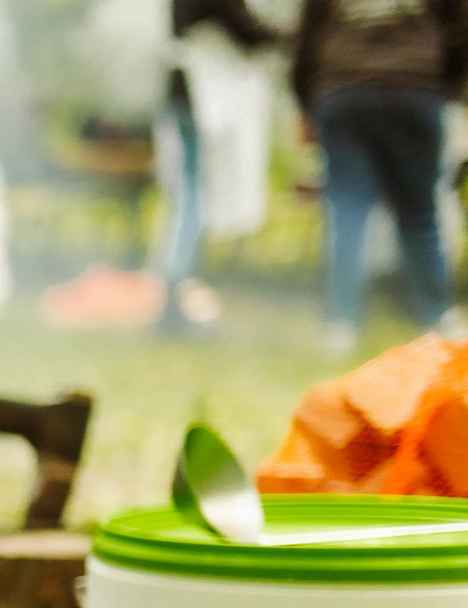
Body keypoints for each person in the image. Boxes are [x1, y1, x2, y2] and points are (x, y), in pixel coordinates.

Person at [293, 0, 468, 349]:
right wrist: (445, 83)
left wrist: (307, 99)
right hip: (413, 87)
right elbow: (460, 29)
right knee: (419, 213)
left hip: (344, 88)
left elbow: (308, 35)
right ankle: (436, 316)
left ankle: (340, 324)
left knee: (347, 212)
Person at [156, 0, 283, 332]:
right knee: (193, 194)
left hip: (186, 90)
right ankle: (179, 290)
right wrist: (288, 34)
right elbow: (244, 27)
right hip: (197, 92)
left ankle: (178, 289)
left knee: (190, 192)